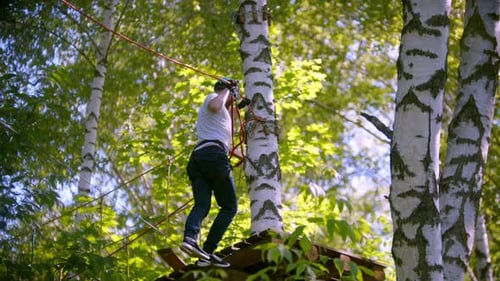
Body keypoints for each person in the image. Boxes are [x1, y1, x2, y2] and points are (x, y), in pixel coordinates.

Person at [180, 78, 239, 268]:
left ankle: (190, 239)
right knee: (229, 207)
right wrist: (226, 90)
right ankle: (208, 250)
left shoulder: (221, 115)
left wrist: (238, 105)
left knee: (202, 204)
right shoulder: (213, 98)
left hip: (199, 159)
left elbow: (226, 129)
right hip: (213, 155)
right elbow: (216, 105)